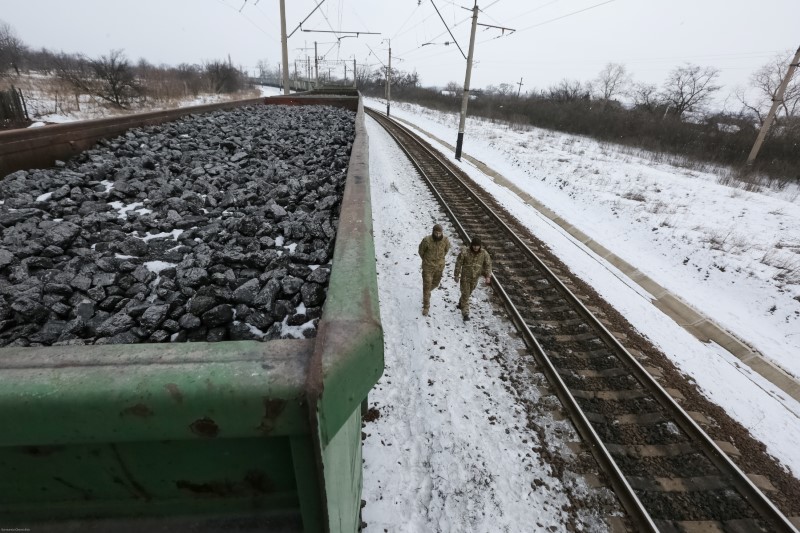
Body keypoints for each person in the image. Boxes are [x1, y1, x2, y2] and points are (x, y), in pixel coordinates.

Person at [453, 236, 492, 322]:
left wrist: (488, 276)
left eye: (477, 246)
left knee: (468, 293)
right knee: (466, 294)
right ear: (471, 245)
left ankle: (461, 303)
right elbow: (458, 263)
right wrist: (456, 275)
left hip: (475, 278)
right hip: (465, 277)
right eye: (474, 245)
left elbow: (488, 264)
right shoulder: (465, 252)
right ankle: (465, 313)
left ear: (480, 246)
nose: (475, 247)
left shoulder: (484, 253)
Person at [418, 223, 450, 316]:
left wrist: (440, 260)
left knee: (435, 284)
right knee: (427, 285)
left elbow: (446, 250)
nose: (438, 235)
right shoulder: (427, 240)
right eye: (436, 233)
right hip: (428, 266)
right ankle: (426, 306)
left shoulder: (445, 240)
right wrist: (426, 260)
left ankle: (426, 293)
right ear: (433, 232)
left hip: (439, 267)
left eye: (439, 233)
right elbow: (421, 251)